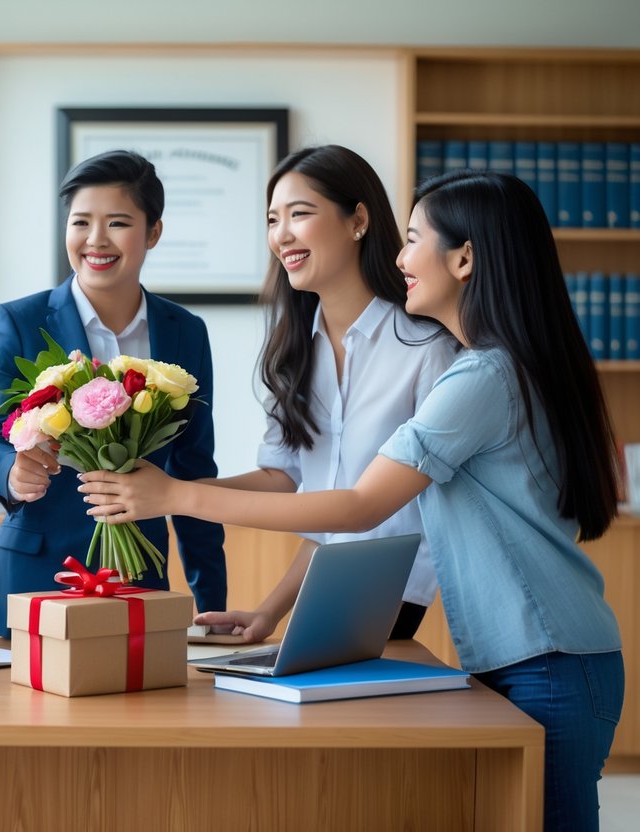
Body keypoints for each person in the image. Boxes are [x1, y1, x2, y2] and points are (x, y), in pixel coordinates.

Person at [82, 170, 624, 831]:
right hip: (532, 654)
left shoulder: (476, 374)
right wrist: (262, 599)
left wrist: (175, 495)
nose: (400, 258)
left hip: (547, 657)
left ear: (463, 258)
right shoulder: (490, 366)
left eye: (415, 238)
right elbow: (325, 493)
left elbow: (360, 506)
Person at [193, 145, 457, 645]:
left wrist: (180, 496)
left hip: (396, 592)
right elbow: (292, 484)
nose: (281, 235)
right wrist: (269, 613)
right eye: (273, 219)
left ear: (358, 220)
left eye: (299, 214)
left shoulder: (426, 349)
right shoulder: (294, 353)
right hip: (334, 589)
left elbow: (361, 510)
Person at [0, 149, 226, 637]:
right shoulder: (18, 321)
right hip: (33, 580)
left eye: (118, 223)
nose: (95, 240)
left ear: (153, 232)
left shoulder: (185, 332)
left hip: (138, 578)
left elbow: (194, 471)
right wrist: (13, 472)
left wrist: (210, 602)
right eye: (80, 222)